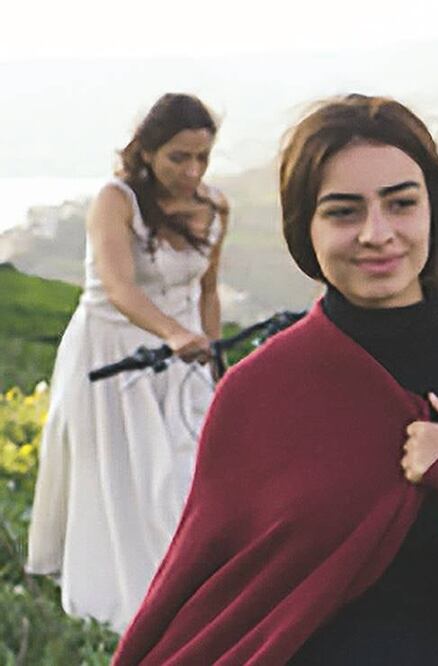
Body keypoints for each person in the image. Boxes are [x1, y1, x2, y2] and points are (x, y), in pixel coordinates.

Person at [112, 95, 438, 665]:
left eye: (400, 204)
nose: (377, 234)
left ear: (435, 211)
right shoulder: (260, 393)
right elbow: (209, 605)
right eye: (344, 212)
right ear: (307, 227)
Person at [25, 93, 228, 633]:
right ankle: (129, 595)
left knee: (187, 470)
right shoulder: (115, 200)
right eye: (178, 158)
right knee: (123, 476)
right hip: (113, 352)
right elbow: (118, 286)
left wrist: (211, 353)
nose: (192, 171)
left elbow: (207, 290)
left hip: (183, 358)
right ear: (148, 152)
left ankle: (191, 583)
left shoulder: (215, 207)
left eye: (202, 158)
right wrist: (172, 334)